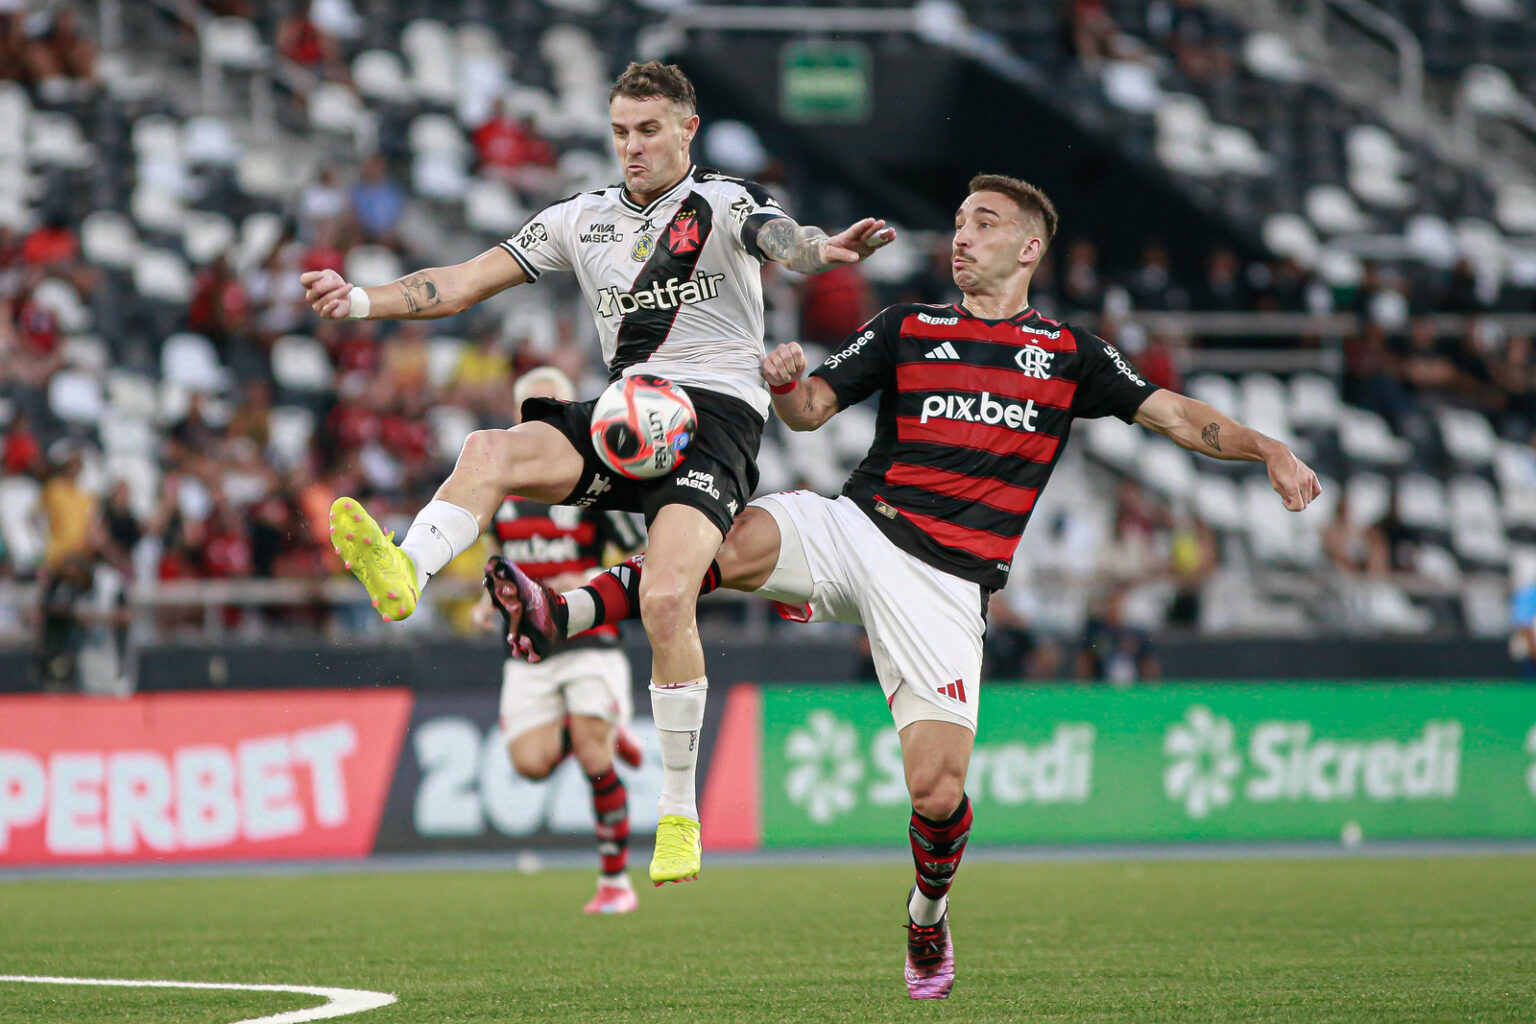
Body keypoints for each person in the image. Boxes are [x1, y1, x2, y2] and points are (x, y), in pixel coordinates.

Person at [489, 173, 1321, 999]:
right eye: (958, 221)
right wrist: (783, 381)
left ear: (1029, 247)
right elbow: (812, 409)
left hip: (947, 584)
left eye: (984, 224)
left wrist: (1269, 450)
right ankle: (560, 609)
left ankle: (927, 915)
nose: (961, 236)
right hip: (857, 528)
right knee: (727, 538)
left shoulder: (1071, 355)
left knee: (938, 789)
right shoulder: (908, 327)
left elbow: (1178, 416)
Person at [300, 61, 895, 886]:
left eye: (649, 130)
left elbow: (780, 241)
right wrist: (359, 300)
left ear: (687, 129)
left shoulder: (720, 204)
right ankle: (406, 568)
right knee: (489, 451)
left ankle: (679, 814)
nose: (632, 147)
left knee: (663, 595)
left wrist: (819, 250)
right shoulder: (581, 220)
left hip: (715, 419)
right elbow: (463, 285)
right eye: (620, 132)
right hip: (626, 414)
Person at [475, 367, 648, 914]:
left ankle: (616, 883)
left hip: (590, 639)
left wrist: (582, 587)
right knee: (529, 762)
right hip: (530, 650)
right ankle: (594, 728)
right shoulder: (501, 492)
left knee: (595, 758)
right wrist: (487, 601)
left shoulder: (595, 479)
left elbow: (637, 557)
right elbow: (503, 564)